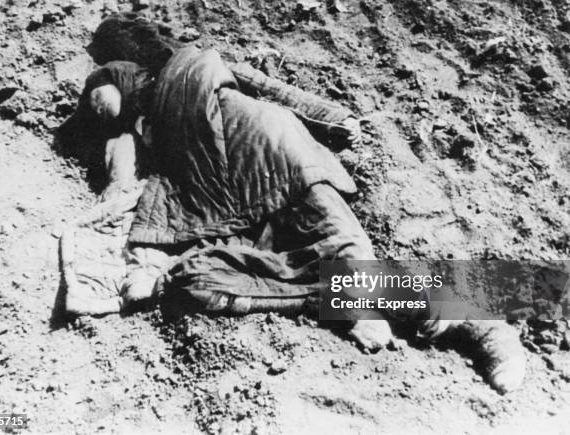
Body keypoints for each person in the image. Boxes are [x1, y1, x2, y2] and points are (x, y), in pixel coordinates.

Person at [63, 41, 525, 394]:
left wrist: (333, 118)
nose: (100, 103)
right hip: (232, 195)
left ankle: (480, 317)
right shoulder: (140, 136)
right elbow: (135, 193)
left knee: (343, 248)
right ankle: (370, 304)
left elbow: (264, 87)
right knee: (277, 268)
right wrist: (142, 259)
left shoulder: (191, 64)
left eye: (102, 92)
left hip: (274, 151)